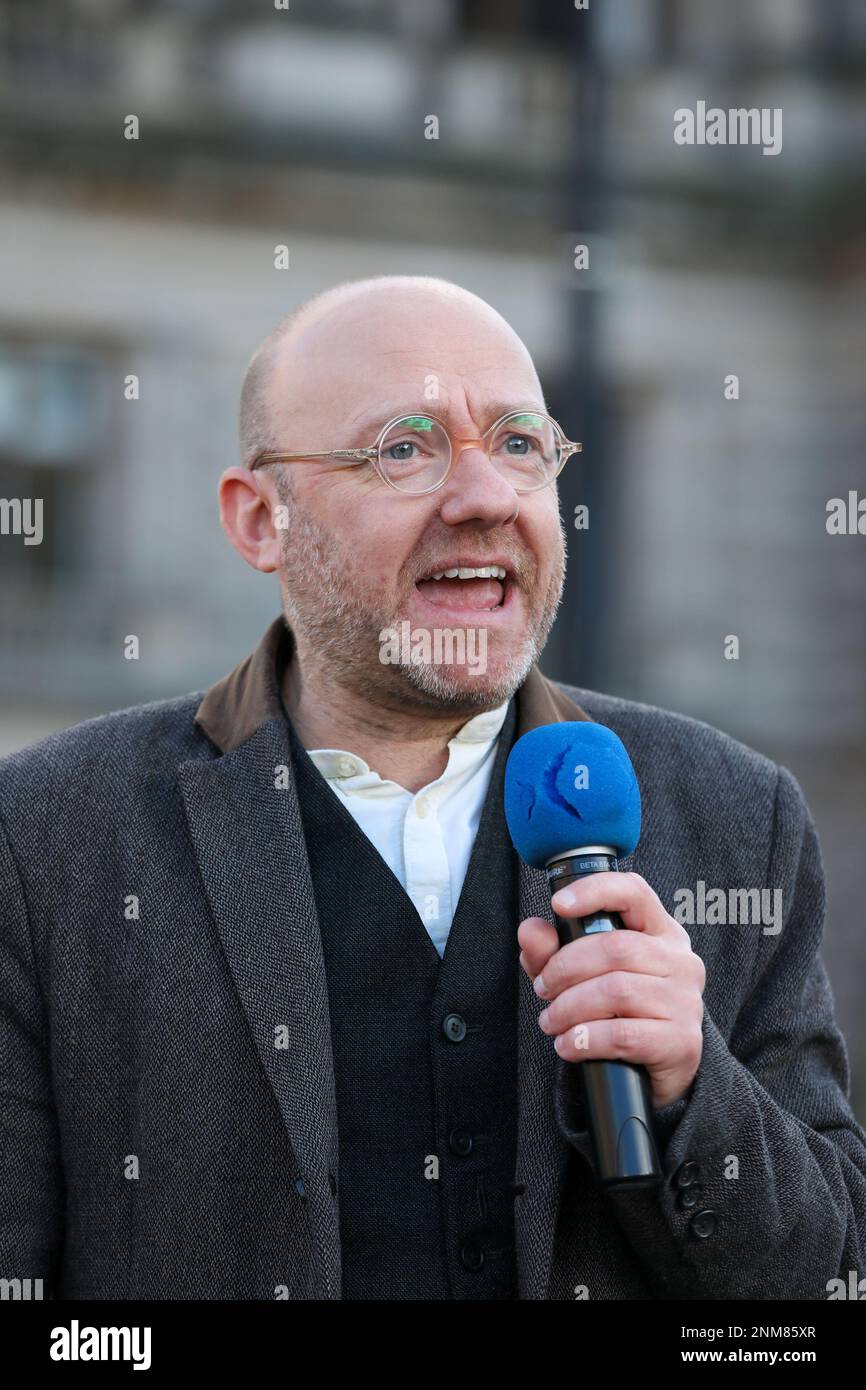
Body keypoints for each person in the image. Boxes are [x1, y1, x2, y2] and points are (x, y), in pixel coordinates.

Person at [1, 275, 864, 1300]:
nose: (484, 497)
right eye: (402, 449)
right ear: (259, 519)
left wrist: (689, 1091)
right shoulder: (45, 835)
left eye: (518, 445)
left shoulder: (734, 816)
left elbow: (825, 1287)